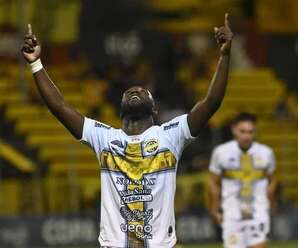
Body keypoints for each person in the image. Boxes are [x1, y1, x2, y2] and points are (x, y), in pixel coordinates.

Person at [21, 14, 233, 248]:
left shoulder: (170, 135)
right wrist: (35, 63)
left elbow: (211, 101)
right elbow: (59, 106)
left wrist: (224, 56)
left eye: (142, 92)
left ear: (154, 109)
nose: (135, 92)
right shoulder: (104, 137)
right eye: (129, 92)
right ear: (121, 109)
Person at [209, 112, 277, 248]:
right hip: (231, 213)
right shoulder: (221, 152)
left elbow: (273, 180)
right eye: (243, 131)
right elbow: (213, 182)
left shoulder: (266, 153)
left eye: (251, 132)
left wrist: (270, 200)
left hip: (258, 211)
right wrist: (214, 208)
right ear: (234, 130)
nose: (246, 136)